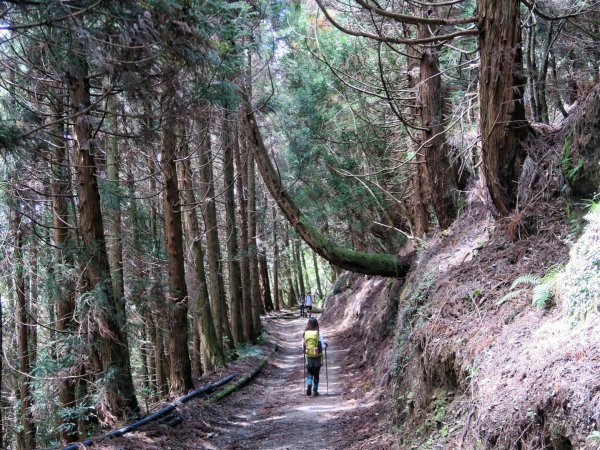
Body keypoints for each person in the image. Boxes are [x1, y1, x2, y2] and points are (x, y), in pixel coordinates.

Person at [302, 317, 327, 396]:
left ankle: (309, 383)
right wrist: (326, 345)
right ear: (317, 324)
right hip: (317, 356)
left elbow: (303, 346)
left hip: (309, 356)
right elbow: (322, 345)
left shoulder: (305, 333)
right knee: (316, 373)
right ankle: (315, 390)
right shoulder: (319, 333)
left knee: (309, 372)